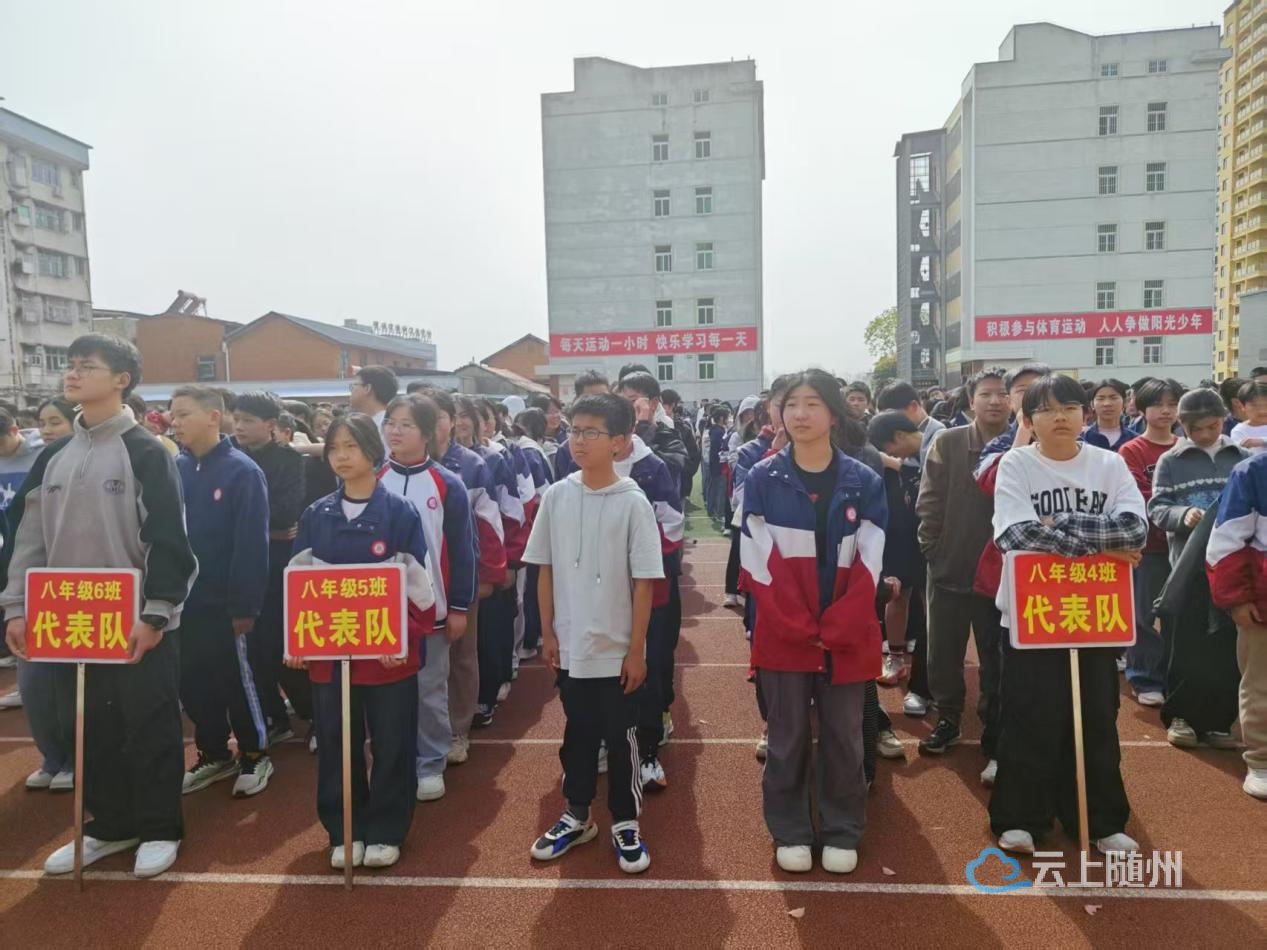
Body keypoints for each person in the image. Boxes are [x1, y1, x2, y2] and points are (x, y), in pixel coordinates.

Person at [3, 333, 198, 878]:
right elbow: (28, 538)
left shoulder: (146, 452)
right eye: (70, 365)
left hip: (137, 621)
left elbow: (169, 539)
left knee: (150, 725)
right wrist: (16, 606)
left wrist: (156, 611)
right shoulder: (53, 457)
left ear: (121, 380)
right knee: (86, 728)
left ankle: (159, 828)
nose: (72, 373)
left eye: (86, 366)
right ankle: (111, 825)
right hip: (69, 620)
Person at [990, 374, 1147, 855]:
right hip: (1032, 613)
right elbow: (1015, 533)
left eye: (1070, 407)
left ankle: (1100, 820)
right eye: (1046, 409)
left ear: (1084, 414)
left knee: (1096, 716)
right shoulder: (1016, 463)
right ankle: (1021, 817)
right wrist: (1104, 546)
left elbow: (1135, 530)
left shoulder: (1109, 464)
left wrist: (1059, 523)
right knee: (1030, 714)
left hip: (1097, 613)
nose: (1060, 417)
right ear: (1028, 419)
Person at [740, 370, 886, 874]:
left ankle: (843, 828)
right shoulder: (761, 478)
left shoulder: (864, 480)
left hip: (847, 634)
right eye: (791, 404)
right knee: (786, 736)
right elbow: (758, 560)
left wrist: (838, 625)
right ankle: (791, 829)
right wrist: (797, 624)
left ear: (834, 414)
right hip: (784, 633)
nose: (800, 414)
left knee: (846, 735)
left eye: (813, 403)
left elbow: (870, 563)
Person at [285, 413, 436, 869]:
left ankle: (388, 829)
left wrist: (404, 638)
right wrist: (297, 641)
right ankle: (344, 829)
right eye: (334, 448)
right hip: (331, 657)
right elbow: (297, 582)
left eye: (351, 446)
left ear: (373, 451)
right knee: (336, 741)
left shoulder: (399, 512)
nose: (341, 456)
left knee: (392, 741)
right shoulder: (317, 515)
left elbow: (420, 586)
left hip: (389, 657)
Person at [525, 393, 662, 874]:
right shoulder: (556, 496)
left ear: (619, 442)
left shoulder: (633, 502)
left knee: (621, 739)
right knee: (578, 733)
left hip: (617, 649)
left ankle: (625, 821)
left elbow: (644, 583)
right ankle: (577, 814)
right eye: (573, 430)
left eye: (590, 432)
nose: (578, 441)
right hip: (571, 646)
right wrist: (548, 632)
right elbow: (543, 569)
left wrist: (636, 650)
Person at [170, 386, 273, 798]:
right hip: (183, 602)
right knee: (193, 681)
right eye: (173, 414)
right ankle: (213, 752)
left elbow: (252, 544)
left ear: (214, 416)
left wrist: (244, 605)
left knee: (236, 679)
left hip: (226, 603)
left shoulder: (242, 471)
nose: (175, 422)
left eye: (183, 414)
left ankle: (255, 753)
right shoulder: (174, 468)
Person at [379, 393, 476, 804]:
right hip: (379, 610)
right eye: (390, 423)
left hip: (431, 610)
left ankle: (431, 761)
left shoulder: (447, 483)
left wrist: (458, 607)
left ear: (426, 433)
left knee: (429, 688)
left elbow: (463, 550)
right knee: (384, 692)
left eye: (406, 425)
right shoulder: (373, 478)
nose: (395, 432)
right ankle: (392, 760)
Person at [916, 368, 1012, 778]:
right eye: (986, 394)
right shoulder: (949, 442)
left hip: (1003, 575)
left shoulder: (1024, 445)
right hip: (950, 565)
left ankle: (995, 729)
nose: (995, 401)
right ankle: (948, 718)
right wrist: (932, 549)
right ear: (971, 401)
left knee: (997, 657)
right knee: (943, 651)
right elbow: (929, 500)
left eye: (1002, 394)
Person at [1150, 387, 1247, 750]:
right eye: (1196, 429)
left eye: (1212, 426)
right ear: (1183, 426)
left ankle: (1218, 722)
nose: (1204, 434)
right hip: (1188, 569)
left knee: (1225, 647)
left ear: (1224, 420)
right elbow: (1157, 508)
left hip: (1231, 571)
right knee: (1185, 645)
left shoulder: (1243, 458)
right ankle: (1181, 716)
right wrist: (1182, 514)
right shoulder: (1171, 461)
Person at [233, 392, 308, 745]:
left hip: (279, 565)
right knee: (252, 649)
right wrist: (265, 527)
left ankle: (312, 713)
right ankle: (274, 716)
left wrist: (246, 522)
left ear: (271, 425)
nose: (239, 427)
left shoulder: (288, 460)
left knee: (283, 645)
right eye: (237, 419)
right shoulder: (232, 458)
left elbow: (286, 512)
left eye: (248, 420)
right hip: (243, 565)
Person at [1118, 378, 1184, 707]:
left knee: (1179, 616)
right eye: (1158, 404)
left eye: (1173, 404)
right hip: (1149, 548)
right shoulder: (1132, 451)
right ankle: (1144, 677)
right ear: (1142, 409)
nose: (1166, 411)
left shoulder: (1187, 447)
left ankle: (1175, 676)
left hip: (1184, 550)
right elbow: (1140, 496)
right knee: (1142, 615)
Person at [876, 379, 944, 470]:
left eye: (892, 417)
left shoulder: (941, 437)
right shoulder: (906, 441)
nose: (889, 425)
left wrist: (894, 464)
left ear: (913, 406)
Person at [660, 388, 701, 504]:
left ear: (672, 405)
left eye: (661, 405)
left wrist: (684, 475)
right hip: (659, 485)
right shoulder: (654, 426)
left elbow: (694, 456)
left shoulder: (683, 429)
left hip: (680, 485)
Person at [1082, 379, 1135, 452]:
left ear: (1124, 402)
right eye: (1100, 399)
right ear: (1092, 404)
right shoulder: (1082, 439)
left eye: (1113, 398)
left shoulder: (1135, 440)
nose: (1107, 403)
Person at [349, 365, 399, 430]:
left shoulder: (383, 429)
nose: (351, 391)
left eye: (354, 385)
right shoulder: (387, 423)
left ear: (367, 388)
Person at [1230, 380, 1267, 452]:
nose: (1263, 410)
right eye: (1255, 405)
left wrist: (1262, 441)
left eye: (1266, 404)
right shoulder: (1239, 431)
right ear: (1242, 406)